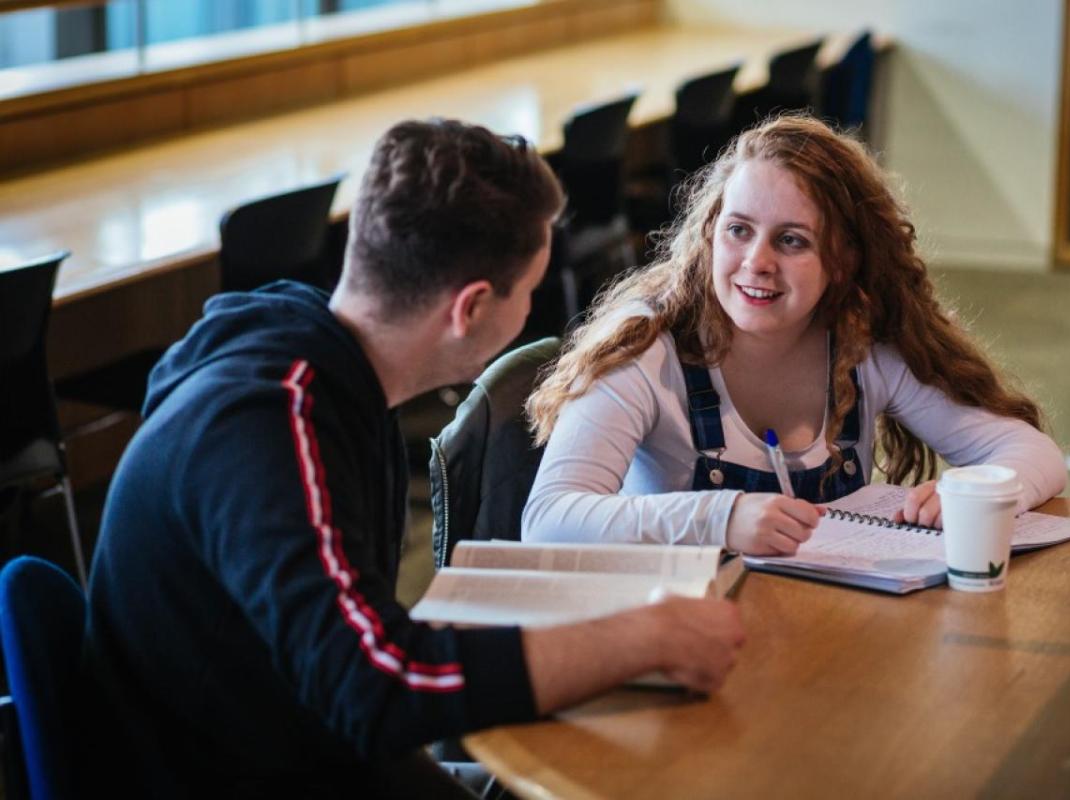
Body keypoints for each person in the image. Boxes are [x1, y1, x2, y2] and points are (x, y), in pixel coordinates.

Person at [82, 118, 744, 797]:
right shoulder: (269, 426)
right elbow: (377, 689)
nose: (529, 312)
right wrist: (644, 638)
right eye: (529, 292)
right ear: (472, 307)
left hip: (292, 739)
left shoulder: (318, 359)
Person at [522, 113, 1067, 556]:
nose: (756, 262)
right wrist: (721, 517)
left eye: (792, 241)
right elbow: (549, 519)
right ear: (710, 234)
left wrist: (974, 493)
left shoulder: (862, 338)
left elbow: (1030, 452)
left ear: (844, 259)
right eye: (738, 231)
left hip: (824, 631)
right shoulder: (645, 342)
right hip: (682, 634)